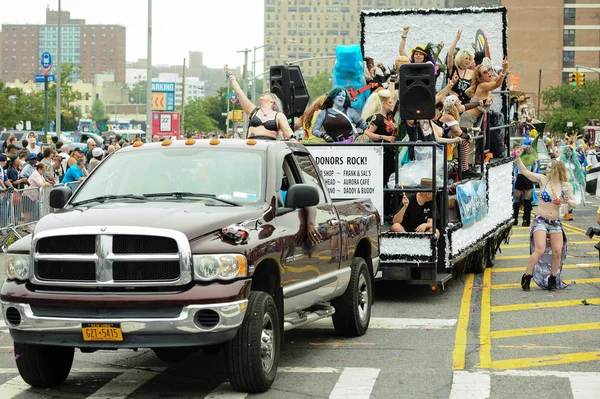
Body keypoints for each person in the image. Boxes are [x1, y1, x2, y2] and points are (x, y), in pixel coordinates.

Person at [515, 154, 576, 291]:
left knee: (557, 251)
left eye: (550, 168)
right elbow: (525, 172)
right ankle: (527, 277)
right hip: (540, 221)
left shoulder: (565, 186)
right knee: (540, 249)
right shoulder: (543, 180)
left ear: (557, 169)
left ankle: (553, 280)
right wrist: (518, 158)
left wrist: (567, 201)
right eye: (547, 167)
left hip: (555, 223)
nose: (547, 170)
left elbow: (574, 203)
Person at [224, 65, 294, 140]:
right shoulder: (253, 110)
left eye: (266, 94)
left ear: (273, 101)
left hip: (268, 147)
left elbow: (289, 134)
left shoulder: (279, 116)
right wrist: (230, 75)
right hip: (252, 145)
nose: (262, 94)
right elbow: (239, 93)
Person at [513, 145, 536, 226]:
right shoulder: (531, 157)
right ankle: (526, 220)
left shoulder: (519, 159)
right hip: (528, 177)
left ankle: (515, 219)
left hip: (520, 177)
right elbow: (536, 164)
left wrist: (514, 175)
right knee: (527, 200)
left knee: (516, 200)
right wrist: (534, 171)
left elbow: (513, 164)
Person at [560, 145, 585, 220]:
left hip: (573, 182)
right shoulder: (561, 161)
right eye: (567, 151)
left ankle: (569, 213)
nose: (569, 153)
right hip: (565, 182)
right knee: (566, 198)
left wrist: (581, 171)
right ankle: (566, 213)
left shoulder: (575, 161)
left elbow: (577, 171)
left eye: (570, 151)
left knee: (572, 198)